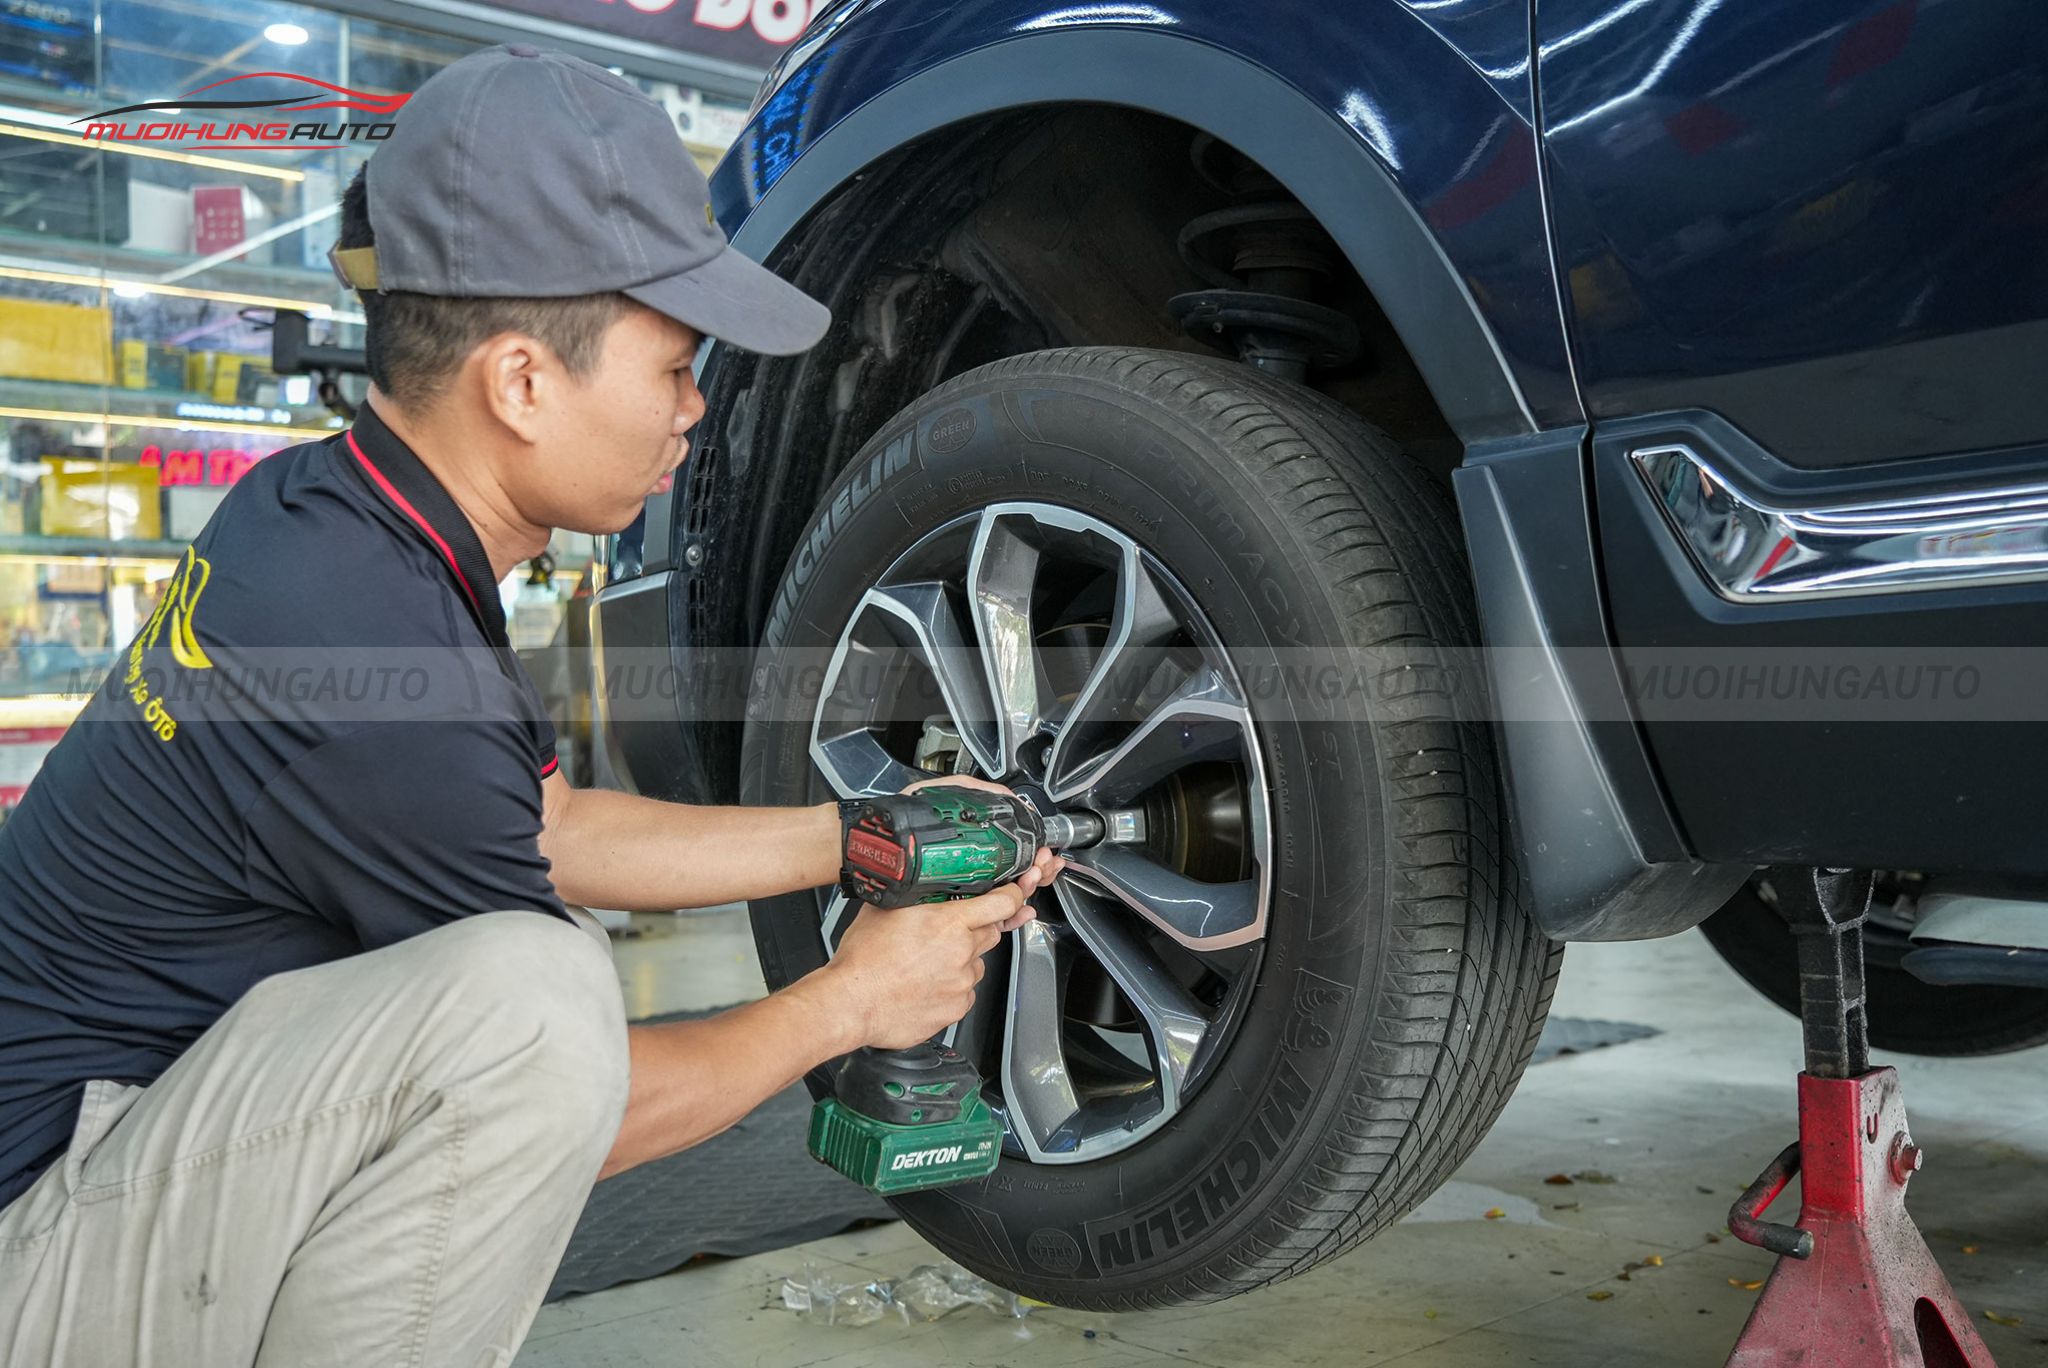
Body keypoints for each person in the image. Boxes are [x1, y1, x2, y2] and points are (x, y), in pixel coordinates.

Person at [0, 45, 1057, 1367]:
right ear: (519, 383)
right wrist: (845, 1005)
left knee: (523, 982)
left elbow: (545, 825)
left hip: (111, 1146)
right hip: (38, 1244)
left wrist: (862, 830)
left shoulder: (332, 517)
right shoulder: (370, 651)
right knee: (538, 1005)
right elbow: (570, 1106)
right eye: (675, 364)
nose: (695, 410)